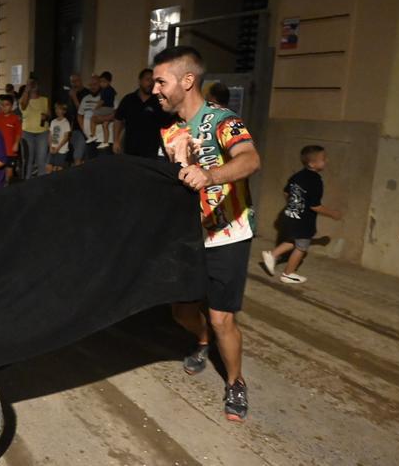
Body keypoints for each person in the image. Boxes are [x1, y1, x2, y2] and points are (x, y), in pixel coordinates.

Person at [154, 45, 261, 422]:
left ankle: (235, 381)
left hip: (228, 233)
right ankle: (202, 342)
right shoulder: (170, 132)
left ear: (187, 80)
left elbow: (250, 159)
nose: (155, 90)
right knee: (182, 311)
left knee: (221, 319)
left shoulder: (223, 121)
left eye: (160, 82)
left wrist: (210, 175)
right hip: (189, 236)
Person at [261, 146, 343, 283]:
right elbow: (315, 206)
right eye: (323, 159)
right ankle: (288, 274)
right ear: (312, 164)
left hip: (290, 216)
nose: (326, 161)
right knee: (301, 247)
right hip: (304, 221)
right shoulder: (316, 181)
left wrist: (293, 204)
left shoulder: (297, 175)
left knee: (293, 240)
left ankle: (272, 254)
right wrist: (333, 214)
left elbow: (286, 192)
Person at [114, 68, 174, 158]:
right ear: (140, 81)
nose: (150, 83)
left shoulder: (159, 101)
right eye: (147, 79)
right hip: (130, 150)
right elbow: (118, 119)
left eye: (153, 81)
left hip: (151, 152)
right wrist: (116, 141)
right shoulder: (129, 99)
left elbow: (168, 124)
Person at [19, 78, 50, 178]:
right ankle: (27, 182)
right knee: (28, 160)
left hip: (42, 133)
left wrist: (47, 116)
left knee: (41, 160)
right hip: (27, 133)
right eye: (30, 84)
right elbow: (23, 106)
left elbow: (50, 114)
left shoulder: (44, 99)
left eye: (34, 83)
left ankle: (41, 183)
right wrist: (27, 90)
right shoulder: (23, 100)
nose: (32, 85)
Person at [0, 94, 22, 183]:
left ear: (12, 106)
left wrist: (16, 144)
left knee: (9, 173)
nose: (5, 107)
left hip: (10, 152)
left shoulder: (15, 118)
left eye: (7, 105)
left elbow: (18, 132)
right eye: (3, 105)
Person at [89, 71, 117, 149]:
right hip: (109, 109)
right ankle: (105, 142)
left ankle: (93, 135)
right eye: (100, 82)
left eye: (103, 82)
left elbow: (102, 101)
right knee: (105, 125)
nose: (101, 84)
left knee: (93, 117)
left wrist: (96, 108)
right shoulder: (111, 90)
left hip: (107, 109)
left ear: (109, 82)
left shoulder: (105, 90)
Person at [66, 73, 89, 165]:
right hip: (71, 129)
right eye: (72, 82)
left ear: (81, 81)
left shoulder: (86, 94)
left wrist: (74, 97)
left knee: (78, 156)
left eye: (76, 81)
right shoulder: (71, 94)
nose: (74, 84)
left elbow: (82, 111)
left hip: (81, 129)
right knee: (69, 157)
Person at [77, 75, 102, 158]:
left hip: (102, 139)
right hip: (89, 138)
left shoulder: (106, 97)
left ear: (100, 84)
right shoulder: (85, 98)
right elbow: (80, 115)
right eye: (90, 85)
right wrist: (84, 130)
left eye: (95, 84)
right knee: (89, 166)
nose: (92, 87)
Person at [48, 102, 71, 173]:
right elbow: (50, 135)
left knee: (58, 168)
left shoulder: (66, 122)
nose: (57, 111)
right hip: (53, 148)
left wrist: (58, 148)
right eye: (56, 109)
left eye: (59, 109)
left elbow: (66, 137)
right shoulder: (53, 121)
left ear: (64, 111)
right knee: (50, 167)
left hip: (61, 150)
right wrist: (50, 147)